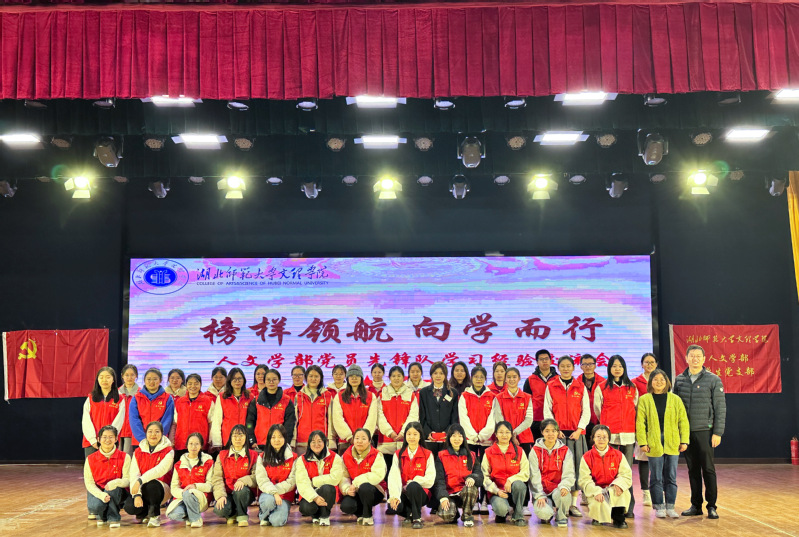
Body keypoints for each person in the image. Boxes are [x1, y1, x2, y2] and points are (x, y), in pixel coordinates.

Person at [673, 344, 726, 519]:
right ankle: (696, 505)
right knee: (692, 470)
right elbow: (674, 407)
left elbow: (720, 408)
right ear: (686, 358)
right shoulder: (680, 380)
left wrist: (717, 432)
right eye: (692, 356)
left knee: (708, 469)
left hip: (705, 431)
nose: (695, 359)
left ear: (704, 359)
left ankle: (712, 506)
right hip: (686, 433)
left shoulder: (713, 379)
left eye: (698, 356)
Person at [636, 369, 690, 519]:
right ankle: (659, 506)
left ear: (667, 382)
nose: (659, 382)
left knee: (671, 476)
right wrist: (642, 442)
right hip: (653, 443)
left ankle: (670, 506)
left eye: (662, 379)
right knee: (656, 477)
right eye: (655, 379)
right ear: (650, 382)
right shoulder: (644, 399)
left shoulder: (675, 399)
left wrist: (684, 440)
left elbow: (683, 421)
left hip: (673, 443)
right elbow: (640, 423)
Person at [543, 355, 589, 516]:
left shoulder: (580, 386)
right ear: (558, 368)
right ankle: (559, 503)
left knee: (576, 468)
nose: (566, 369)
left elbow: (586, 411)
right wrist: (555, 430)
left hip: (576, 435)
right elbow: (547, 410)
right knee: (558, 469)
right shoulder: (551, 386)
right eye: (562, 366)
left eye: (569, 366)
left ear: (573, 368)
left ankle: (573, 504)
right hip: (558, 436)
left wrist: (579, 430)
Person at [594, 355, 638, 517]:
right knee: (609, 470)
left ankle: (628, 507)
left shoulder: (632, 387)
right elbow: (598, 409)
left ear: (624, 368)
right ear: (609, 368)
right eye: (614, 366)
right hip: (609, 436)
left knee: (626, 471)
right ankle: (610, 507)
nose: (617, 369)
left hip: (628, 434)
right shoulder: (602, 387)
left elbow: (635, 408)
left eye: (620, 366)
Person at [459, 365, 497, 514]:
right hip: (470, 440)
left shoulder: (492, 396)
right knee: (471, 469)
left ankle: (485, 500)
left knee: (486, 470)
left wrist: (483, 435)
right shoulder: (464, 396)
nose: (479, 380)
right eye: (476, 377)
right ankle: (473, 500)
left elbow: (492, 419)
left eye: (482, 377)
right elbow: (463, 418)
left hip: (487, 440)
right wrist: (473, 435)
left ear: (485, 379)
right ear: (471, 378)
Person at [578, 425, 632, 528]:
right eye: (598, 436)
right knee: (598, 499)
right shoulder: (586, 457)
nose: (601, 439)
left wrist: (618, 484)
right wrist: (596, 491)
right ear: (593, 438)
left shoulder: (618, 455)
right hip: (596, 489)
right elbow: (584, 479)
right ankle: (597, 518)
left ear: (609, 439)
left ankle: (618, 518)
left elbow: (626, 474)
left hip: (612, 488)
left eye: (604, 437)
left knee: (622, 492)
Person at [124, 421, 175, 527]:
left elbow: (159, 470)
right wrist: (137, 494)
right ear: (146, 433)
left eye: (157, 432)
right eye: (150, 431)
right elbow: (134, 474)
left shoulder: (169, 450)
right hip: (142, 487)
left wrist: (140, 481)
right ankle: (144, 513)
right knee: (129, 506)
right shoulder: (138, 451)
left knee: (152, 485)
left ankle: (154, 516)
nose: (153, 435)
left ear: (162, 433)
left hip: (161, 489)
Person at [387, 422, 436, 529]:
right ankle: (409, 513)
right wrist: (395, 496)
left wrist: (413, 482)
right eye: (409, 434)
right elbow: (394, 476)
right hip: (404, 492)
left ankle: (417, 518)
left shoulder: (427, 454)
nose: (412, 437)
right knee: (393, 507)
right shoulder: (398, 454)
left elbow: (430, 479)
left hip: (421, 492)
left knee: (413, 486)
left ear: (420, 436)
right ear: (405, 436)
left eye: (415, 434)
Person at [481, 421, 529, 526]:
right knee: (501, 510)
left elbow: (525, 472)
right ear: (496, 434)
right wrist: (496, 491)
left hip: (514, 489)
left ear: (511, 434)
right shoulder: (488, 452)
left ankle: (518, 514)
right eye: (501, 432)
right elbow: (484, 477)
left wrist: (510, 480)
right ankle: (502, 512)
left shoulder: (519, 451)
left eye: (507, 432)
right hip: (497, 491)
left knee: (520, 485)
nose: (504, 435)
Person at [529, 419, 575, 527]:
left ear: (558, 432)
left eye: (554, 431)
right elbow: (534, 475)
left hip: (557, 488)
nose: (550, 434)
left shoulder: (565, 450)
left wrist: (564, 486)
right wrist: (539, 495)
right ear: (542, 432)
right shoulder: (535, 451)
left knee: (565, 495)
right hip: (542, 490)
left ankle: (561, 515)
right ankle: (548, 511)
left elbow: (569, 473)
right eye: (547, 431)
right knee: (544, 514)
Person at [434, 424, 482, 527]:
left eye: (460, 436)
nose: (457, 439)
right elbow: (439, 480)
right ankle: (454, 514)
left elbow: (479, 475)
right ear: (449, 438)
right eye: (454, 436)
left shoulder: (471, 455)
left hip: (465, 492)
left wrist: (473, 477)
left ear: (464, 438)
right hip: (449, 494)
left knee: (470, 488)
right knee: (447, 515)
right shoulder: (441, 455)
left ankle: (467, 516)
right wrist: (443, 496)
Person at [295, 429, 346, 526]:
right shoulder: (302, 459)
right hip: (310, 492)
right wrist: (315, 497)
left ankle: (324, 516)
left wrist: (314, 481)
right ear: (309, 444)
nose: (316, 444)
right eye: (313, 442)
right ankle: (315, 516)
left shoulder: (335, 457)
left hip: (327, 491)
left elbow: (335, 478)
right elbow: (302, 483)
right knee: (306, 508)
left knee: (328, 488)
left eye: (319, 441)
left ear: (325, 442)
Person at [84, 425, 130, 528]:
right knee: (96, 506)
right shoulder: (90, 459)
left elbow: (128, 480)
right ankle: (102, 515)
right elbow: (89, 483)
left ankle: (113, 517)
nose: (107, 440)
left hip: (117, 491)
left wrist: (115, 483)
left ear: (116, 439)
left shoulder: (125, 457)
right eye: (104, 437)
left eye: (111, 437)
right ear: (99, 439)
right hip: (98, 490)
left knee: (112, 489)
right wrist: (101, 495)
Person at [212, 424, 258, 526]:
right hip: (228, 492)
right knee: (220, 509)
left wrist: (243, 480)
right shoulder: (222, 455)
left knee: (241, 491)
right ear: (230, 438)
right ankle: (232, 514)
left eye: (241, 435)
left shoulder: (253, 455)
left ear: (246, 437)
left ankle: (242, 515)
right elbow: (217, 478)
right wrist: (220, 496)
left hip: (244, 492)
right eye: (235, 435)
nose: (238, 438)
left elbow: (256, 477)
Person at [340, 428, 387, 525]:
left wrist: (357, 482)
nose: (359, 441)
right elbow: (343, 476)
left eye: (363, 438)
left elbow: (377, 475)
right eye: (357, 438)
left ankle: (367, 515)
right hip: (355, 489)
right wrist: (347, 489)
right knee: (346, 506)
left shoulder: (377, 455)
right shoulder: (346, 455)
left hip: (374, 490)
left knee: (365, 487)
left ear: (369, 441)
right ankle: (360, 514)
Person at [166, 432, 214, 527]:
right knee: (173, 514)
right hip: (183, 497)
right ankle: (192, 516)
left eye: (197, 444)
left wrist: (195, 486)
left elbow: (211, 486)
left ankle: (195, 519)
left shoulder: (208, 462)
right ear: (187, 445)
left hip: (201, 497)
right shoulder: (178, 465)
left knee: (189, 493)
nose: (193, 447)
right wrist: (183, 493)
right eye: (191, 444)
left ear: (201, 446)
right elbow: (174, 488)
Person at [377, 366, 420, 472]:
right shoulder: (382, 394)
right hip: (386, 442)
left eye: (399, 376)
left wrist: (403, 433)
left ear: (403, 377)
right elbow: (379, 416)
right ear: (389, 378)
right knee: (386, 472)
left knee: (404, 473)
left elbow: (413, 416)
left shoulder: (410, 395)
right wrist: (389, 432)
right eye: (393, 376)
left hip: (405, 441)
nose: (396, 378)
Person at [256, 424, 298, 527]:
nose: (277, 440)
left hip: (285, 496)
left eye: (280, 437)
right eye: (273, 437)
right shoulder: (262, 457)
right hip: (268, 494)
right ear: (269, 439)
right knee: (269, 501)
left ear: (285, 438)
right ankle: (264, 515)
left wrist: (277, 492)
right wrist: (274, 493)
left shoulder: (294, 457)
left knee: (277, 521)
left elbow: (291, 481)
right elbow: (262, 480)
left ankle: (276, 513)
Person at [631, 352, 658, 507]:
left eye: (652, 362)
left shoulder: (661, 380)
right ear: (642, 364)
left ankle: (657, 490)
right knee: (643, 458)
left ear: (656, 364)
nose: (649, 365)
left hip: (658, 425)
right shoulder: (635, 382)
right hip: (642, 424)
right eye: (646, 362)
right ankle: (646, 493)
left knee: (658, 457)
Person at [247, 368, 296, 450]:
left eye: (274, 379)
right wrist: (251, 440)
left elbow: (289, 424)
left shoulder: (286, 400)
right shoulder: (256, 401)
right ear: (264, 381)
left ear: (279, 380)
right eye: (268, 379)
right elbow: (249, 422)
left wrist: (285, 442)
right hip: (259, 444)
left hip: (279, 444)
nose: (271, 382)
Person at [331, 365, 378, 450]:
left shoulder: (371, 396)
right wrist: (349, 437)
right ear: (347, 378)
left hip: (365, 442)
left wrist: (363, 437)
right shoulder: (339, 396)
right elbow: (337, 419)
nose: (354, 378)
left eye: (357, 375)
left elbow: (372, 419)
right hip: (345, 442)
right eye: (351, 376)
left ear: (361, 378)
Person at [82, 367, 125, 457]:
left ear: (113, 379)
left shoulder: (120, 399)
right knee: (91, 465)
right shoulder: (91, 398)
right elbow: (86, 421)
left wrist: (108, 438)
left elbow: (119, 421)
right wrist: (92, 439)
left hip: (110, 442)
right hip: (91, 441)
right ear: (97, 380)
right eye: (101, 377)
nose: (104, 380)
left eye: (108, 377)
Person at [418, 361, 459, 455]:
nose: (438, 376)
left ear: (445, 375)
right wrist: (428, 432)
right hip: (429, 439)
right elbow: (422, 416)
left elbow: (454, 417)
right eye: (435, 373)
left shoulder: (453, 392)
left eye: (441, 373)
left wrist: (448, 432)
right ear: (431, 375)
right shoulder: (424, 392)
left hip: (447, 439)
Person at [294, 365, 335, 455]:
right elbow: (295, 420)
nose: (313, 379)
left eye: (316, 376)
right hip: (302, 441)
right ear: (306, 377)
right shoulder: (299, 396)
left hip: (321, 441)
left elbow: (332, 420)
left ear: (321, 378)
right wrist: (293, 440)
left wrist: (331, 439)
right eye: (311, 376)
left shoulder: (327, 395)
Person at [128, 368, 174, 449]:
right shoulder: (136, 398)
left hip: (160, 441)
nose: (152, 382)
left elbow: (167, 420)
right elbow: (134, 420)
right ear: (144, 381)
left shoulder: (167, 398)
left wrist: (158, 437)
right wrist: (143, 439)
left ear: (160, 380)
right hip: (140, 441)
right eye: (148, 379)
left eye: (155, 379)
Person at [173, 374, 214, 461]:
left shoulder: (208, 401)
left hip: (200, 444)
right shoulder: (180, 401)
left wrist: (211, 440)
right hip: (181, 444)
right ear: (186, 385)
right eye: (190, 383)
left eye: (196, 383)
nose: (193, 386)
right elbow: (175, 423)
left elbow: (212, 423)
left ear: (201, 385)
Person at [210, 368, 252, 450]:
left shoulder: (250, 397)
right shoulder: (222, 397)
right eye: (234, 379)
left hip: (245, 440)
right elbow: (217, 422)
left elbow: (253, 422)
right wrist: (217, 443)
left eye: (240, 378)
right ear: (229, 380)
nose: (237, 381)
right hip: (227, 440)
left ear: (244, 380)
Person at [522, 349, 557, 440]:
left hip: (555, 419)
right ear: (537, 362)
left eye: (546, 359)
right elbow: (526, 401)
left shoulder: (558, 379)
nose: (544, 361)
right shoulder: (530, 380)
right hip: (536, 419)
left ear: (551, 360)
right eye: (541, 359)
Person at [578, 354, 605, 445]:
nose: (588, 367)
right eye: (585, 364)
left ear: (595, 365)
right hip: (581, 423)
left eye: (590, 364)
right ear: (581, 366)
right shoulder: (576, 383)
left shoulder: (603, 383)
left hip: (598, 421)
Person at [119, 364, 139, 455]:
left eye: (132, 375)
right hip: (118, 429)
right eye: (127, 375)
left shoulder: (140, 393)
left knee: (128, 456)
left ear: (136, 376)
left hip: (133, 430)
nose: (129, 378)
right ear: (122, 376)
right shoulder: (117, 392)